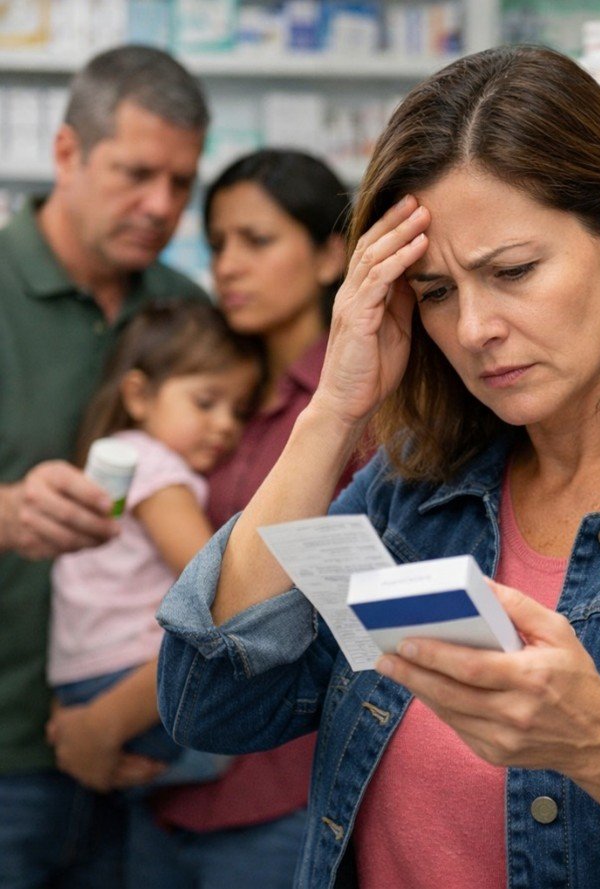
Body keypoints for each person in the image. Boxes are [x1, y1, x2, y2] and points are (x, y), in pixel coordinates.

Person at [156, 45, 600, 889]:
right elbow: (210, 702)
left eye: (512, 272)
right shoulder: (413, 492)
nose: (473, 328)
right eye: (434, 291)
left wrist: (599, 741)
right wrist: (332, 412)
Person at [0, 44, 208, 887]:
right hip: (8, 755)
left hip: (151, 753)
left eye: (182, 183)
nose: (159, 205)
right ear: (65, 153)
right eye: (135, 173)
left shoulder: (184, 313)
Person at [124, 149, 358, 889]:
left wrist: (107, 716)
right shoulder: (216, 396)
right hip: (164, 788)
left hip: (279, 795)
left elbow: (333, 609)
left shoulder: (355, 408)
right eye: (218, 243)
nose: (228, 265)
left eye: (256, 241)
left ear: (331, 254)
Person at [47, 301, 262, 792]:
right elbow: (210, 581)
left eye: (238, 410)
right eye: (206, 402)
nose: (226, 425)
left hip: (80, 681)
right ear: (139, 395)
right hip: (129, 681)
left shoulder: (117, 461)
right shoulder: (157, 471)